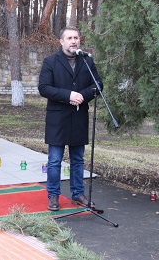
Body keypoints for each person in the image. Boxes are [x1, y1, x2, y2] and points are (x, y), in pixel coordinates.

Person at [38, 26, 103, 211]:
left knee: (78, 160)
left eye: (76, 37)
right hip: (58, 118)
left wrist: (82, 95)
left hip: (79, 116)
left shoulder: (86, 61)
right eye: (69, 38)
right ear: (61, 41)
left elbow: (98, 84)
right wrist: (68, 95)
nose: (74, 41)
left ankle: (78, 194)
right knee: (54, 160)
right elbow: (43, 88)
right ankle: (53, 196)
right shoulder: (51, 61)